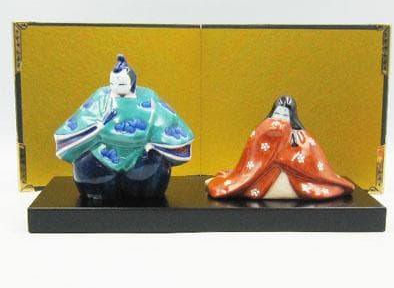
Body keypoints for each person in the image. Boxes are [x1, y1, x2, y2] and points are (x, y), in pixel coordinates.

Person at [54, 54, 194, 201]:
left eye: (121, 84)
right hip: (102, 152)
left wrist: (152, 144)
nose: (115, 87)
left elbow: (165, 121)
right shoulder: (101, 97)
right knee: (86, 164)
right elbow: (82, 119)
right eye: (112, 83)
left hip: (141, 154)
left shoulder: (149, 98)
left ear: (132, 82)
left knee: (154, 167)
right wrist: (97, 128)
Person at [206, 95, 354, 200]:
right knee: (244, 181)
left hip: (293, 174)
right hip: (261, 172)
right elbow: (252, 155)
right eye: (277, 113)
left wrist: (286, 158)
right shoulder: (263, 130)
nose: (280, 117)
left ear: (292, 117)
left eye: (285, 114)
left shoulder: (301, 136)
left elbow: (311, 156)